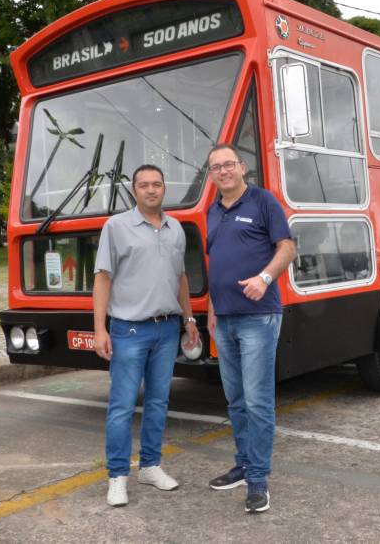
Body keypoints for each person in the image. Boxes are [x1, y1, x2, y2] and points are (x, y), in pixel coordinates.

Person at [93, 164, 200, 507]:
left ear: (163, 188)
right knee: (122, 407)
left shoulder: (176, 229)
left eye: (156, 184)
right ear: (134, 191)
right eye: (144, 185)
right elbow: (103, 279)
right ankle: (117, 476)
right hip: (129, 330)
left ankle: (151, 466)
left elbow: (181, 277)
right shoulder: (116, 227)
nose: (151, 190)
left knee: (158, 402)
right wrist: (99, 330)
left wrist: (189, 318)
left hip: (168, 329)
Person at [204, 144, 295, 513]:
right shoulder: (212, 211)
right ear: (211, 175)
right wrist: (211, 310)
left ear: (242, 167)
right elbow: (218, 266)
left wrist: (264, 277)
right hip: (223, 320)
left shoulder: (263, 201)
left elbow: (287, 248)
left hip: (259, 317)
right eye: (215, 168)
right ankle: (243, 465)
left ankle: (258, 480)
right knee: (236, 400)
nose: (223, 171)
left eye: (228, 164)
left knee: (257, 402)